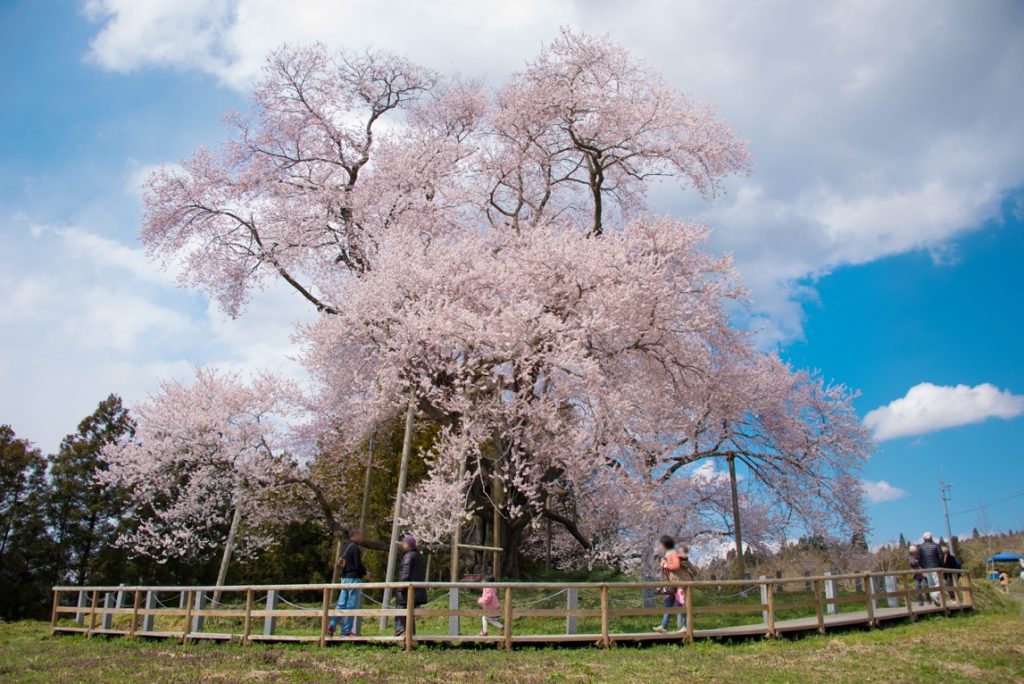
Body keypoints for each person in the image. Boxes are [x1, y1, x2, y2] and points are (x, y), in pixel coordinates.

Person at [327, 527, 368, 637]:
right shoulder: (355, 548)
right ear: (356, 535)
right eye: (361, 535)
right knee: (351, 605)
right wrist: (365, 574)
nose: (363, 537)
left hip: (344, 578)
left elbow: (340, 562)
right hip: (354, 578)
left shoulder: (345, 547)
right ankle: (346, 631)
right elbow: (357, 565)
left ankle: (331, 625)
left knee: (341, 604)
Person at [653, 536, 695, 634]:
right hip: (672, 583)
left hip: (680, 582)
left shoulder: (673, 553)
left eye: (660, 544)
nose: (659, 546)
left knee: (681, 604)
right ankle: (664, 626)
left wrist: (666, 565)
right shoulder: (667, 554)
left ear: (665, 544)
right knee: (668, 602)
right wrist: (663, 563)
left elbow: (676, 565)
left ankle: (684, 626)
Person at [394, 535, 427, 637]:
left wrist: (400, 589)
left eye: (404, 543)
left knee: (401, 616)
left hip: (405, 593)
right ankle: (411, 637)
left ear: (407, 544)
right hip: (416, 591)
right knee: (409, 615)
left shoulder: (408, 556)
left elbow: (405, 574)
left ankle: (403, 638)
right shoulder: (417, 556)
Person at [917, 532, 943, 606]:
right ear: (931, 538)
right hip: (935, 567)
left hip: (926, 568)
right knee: (938, 583)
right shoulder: (936, 546)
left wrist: (922, 566)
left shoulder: (920, 547)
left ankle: (934, 598)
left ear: (924, 539)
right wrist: (941, 566)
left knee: (930, 584)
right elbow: (940, 556)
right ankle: (936, 597)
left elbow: (919, 558)